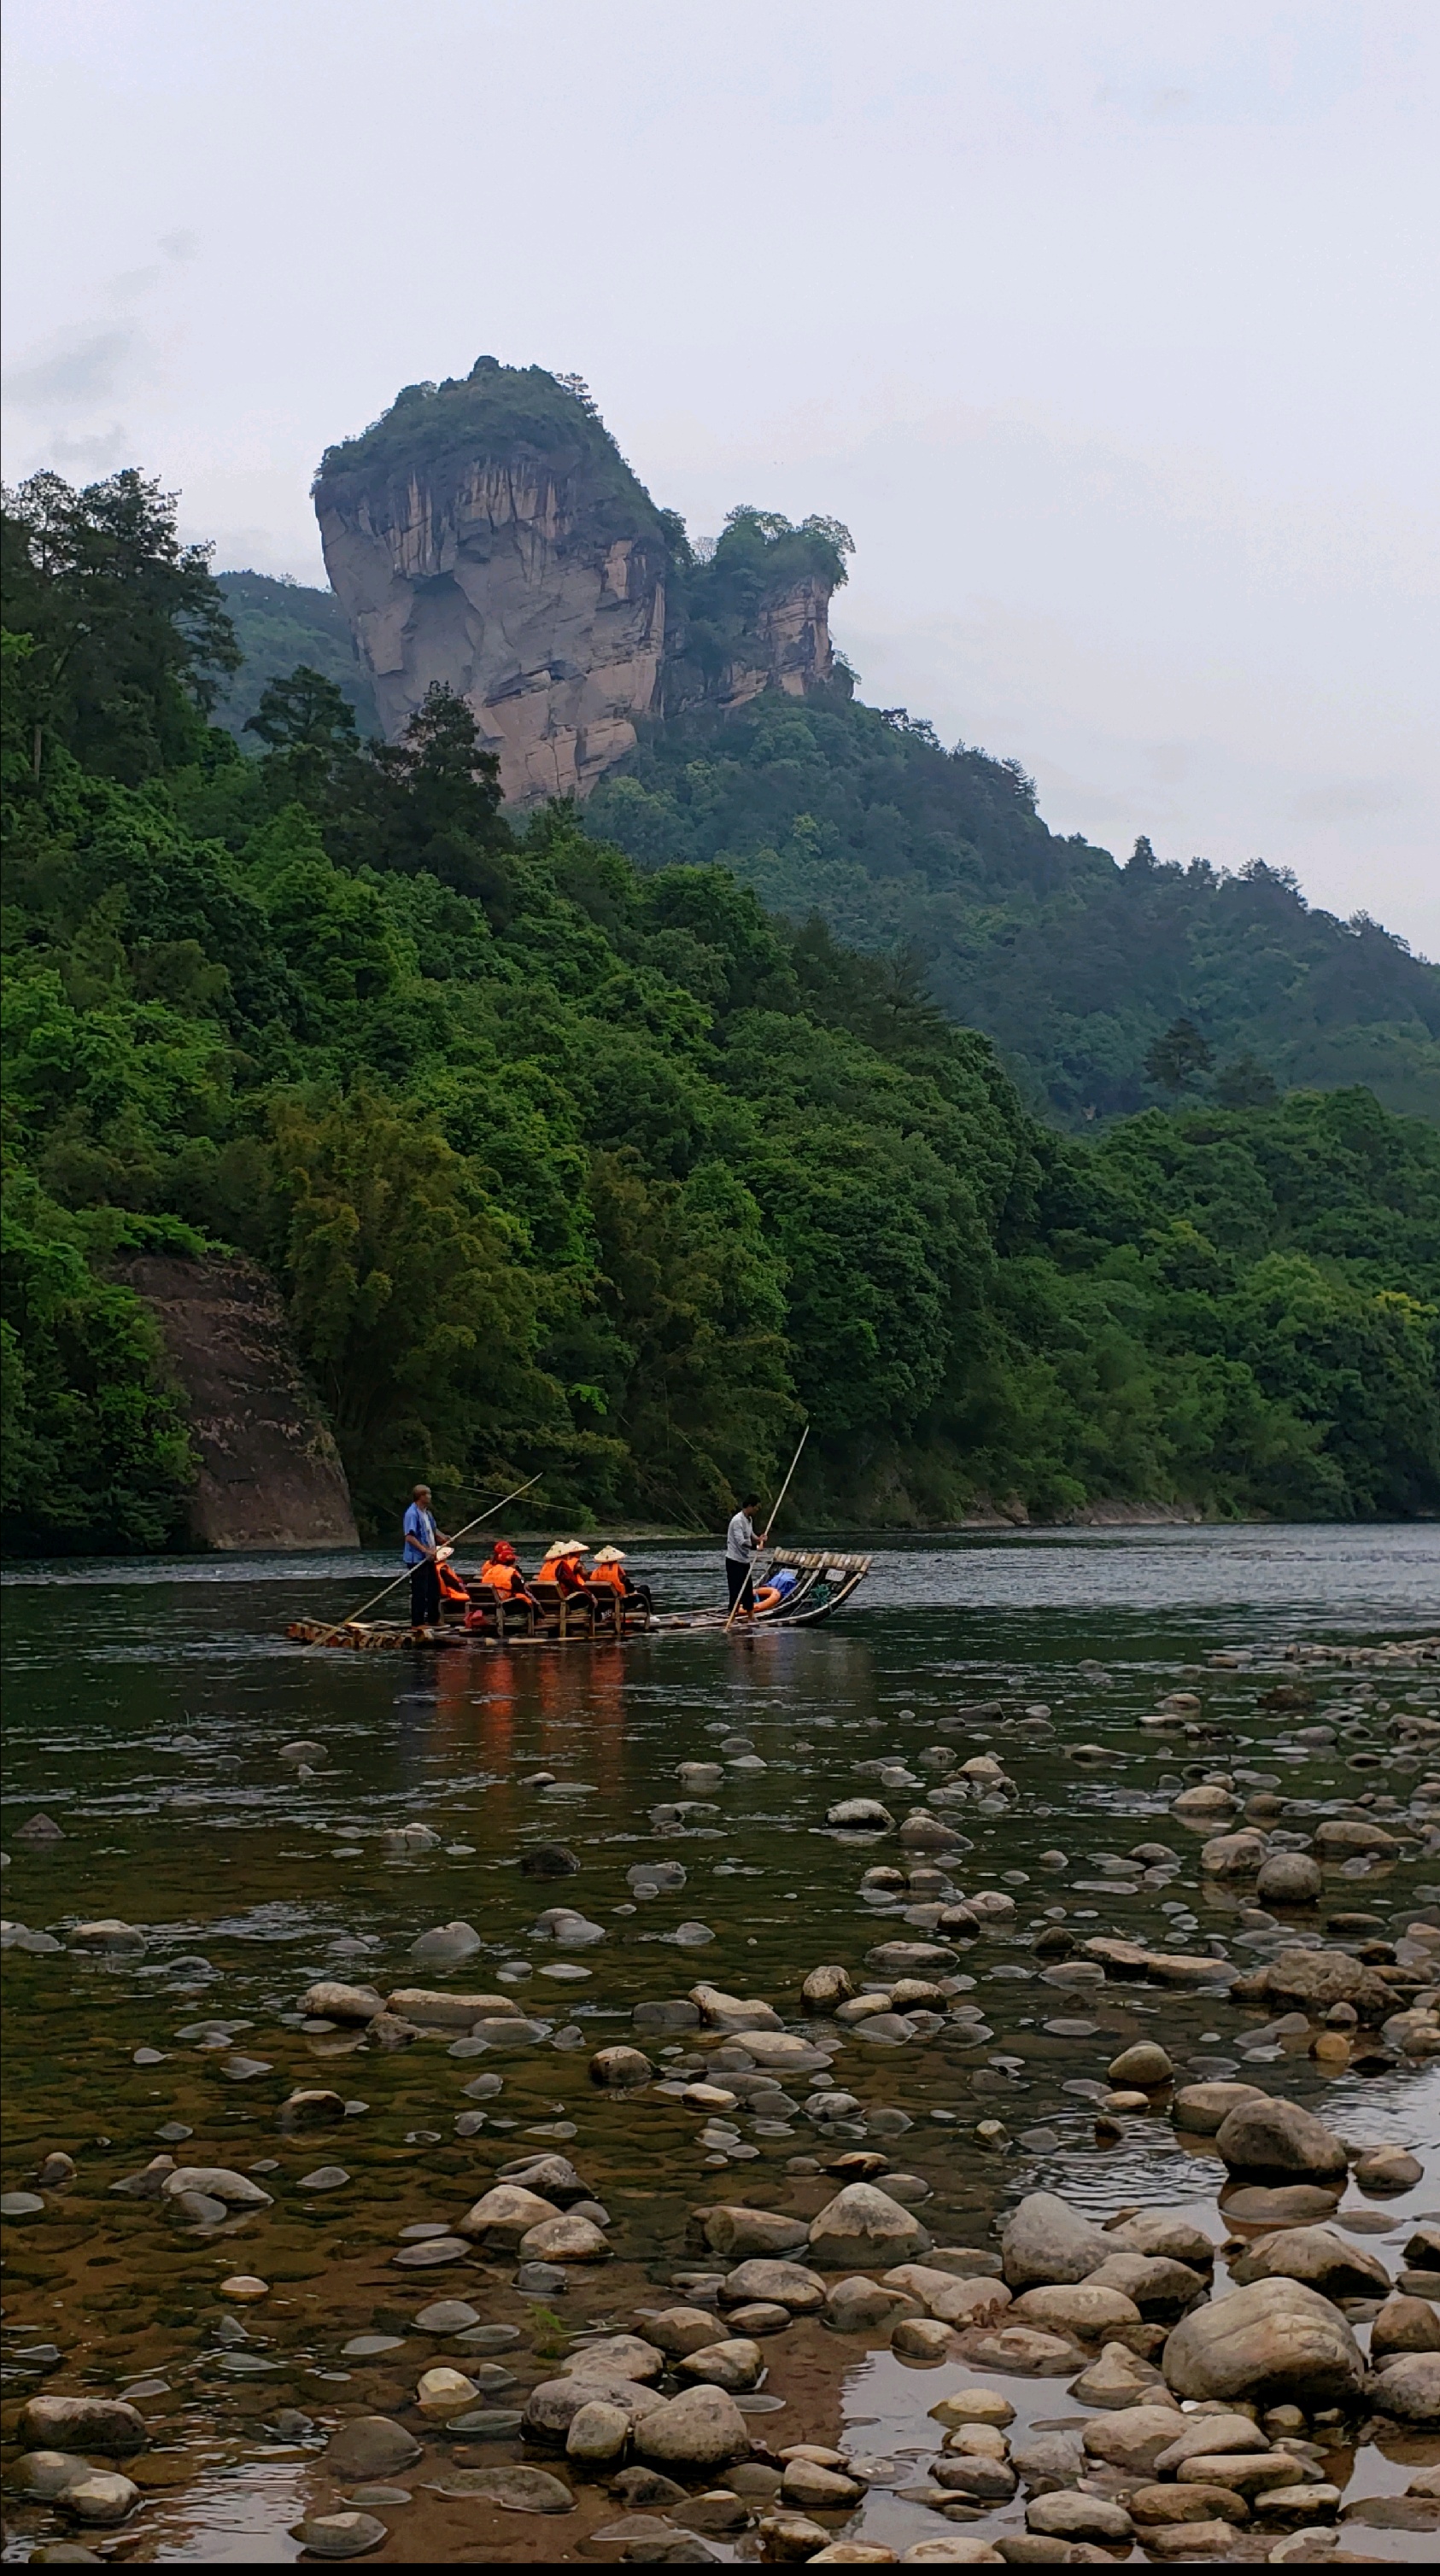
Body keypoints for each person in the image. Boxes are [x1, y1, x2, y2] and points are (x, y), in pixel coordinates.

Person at [402, 1484, 447, 1627]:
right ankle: (418, 1622)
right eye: (428, 1494)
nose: (430, 1497)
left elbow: (433, 1531)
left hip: (429, 1559)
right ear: (420, 1496)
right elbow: (410, 1537)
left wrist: (444, 1538)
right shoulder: (412, 1513)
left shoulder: (427, 1513)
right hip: (417, 1559)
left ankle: (433, 1619)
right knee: (420, 1591)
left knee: (434, 1589)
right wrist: (426, 1550)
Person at [724, 1494, 768, 1618]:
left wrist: (759, 1539)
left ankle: (751, 1616)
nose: (757, 1510)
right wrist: (756, 1548)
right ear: (749, 1506)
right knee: (736, 1590)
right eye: (756, 1508)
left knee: (747, 1589)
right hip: (734, 1560)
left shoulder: (749, 1520)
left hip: (744, 1561)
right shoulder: (737, 1520)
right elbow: (741, 1541)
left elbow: (751, 1536)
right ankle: (732, 1617)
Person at [585, 1544, 654, 1613]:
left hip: (604, 1603)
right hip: (621, 1602)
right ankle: (650, 1612)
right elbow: (630, 1589)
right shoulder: (617, 1572)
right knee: (645, 1588)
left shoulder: (596, 1572)